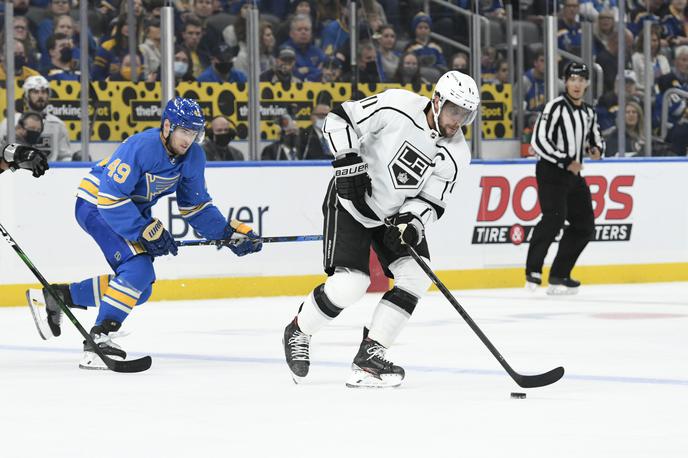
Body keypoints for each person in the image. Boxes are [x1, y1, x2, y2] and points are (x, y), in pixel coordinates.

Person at [26, 97, 262, 369]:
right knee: (138, 269)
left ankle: (60, 297)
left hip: (129, 209)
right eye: (184, 131)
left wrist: (227, 232)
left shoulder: (194, 156)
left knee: (140, 288)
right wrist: (142, 229)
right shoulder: (140, 147)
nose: (189, 139)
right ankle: (98, 340)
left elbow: (195, 206)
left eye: (194, 132)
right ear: (167, 126)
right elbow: (110, 198)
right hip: (97, 204)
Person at [281, 71, 478, 388]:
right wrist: (347, 159)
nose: (458, 120)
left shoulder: (457, 153)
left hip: (391, 216)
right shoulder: (398, 104)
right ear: (438, 101)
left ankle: (369, 357)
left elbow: (431, 199)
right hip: (351, 201)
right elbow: (340, 117)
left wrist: (412, 221)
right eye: (455, 110)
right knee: (352, 284)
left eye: (466, 114)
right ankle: (299, 330)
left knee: (417, 274)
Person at [525, 62, 605, 295]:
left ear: (587, 83)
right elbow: (538, 141)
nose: (577, 84)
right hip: (552, 171)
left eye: (581, 80)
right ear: (565, 81)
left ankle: (559, 274)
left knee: (585, 226)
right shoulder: (555, 107)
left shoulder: (588, 112)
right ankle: (533, 270)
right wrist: (565, 159)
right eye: (572, 79)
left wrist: (597, 149)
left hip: (574, 174)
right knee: (554, 218)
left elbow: (595, 139)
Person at [0, 75, 72, 162]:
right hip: (18, 173)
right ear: (27, 95)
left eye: (44, 92)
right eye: (35, 92)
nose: (40, 96)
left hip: (50, 173)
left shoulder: (57, 124)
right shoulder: (10, 122)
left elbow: (65, 157)